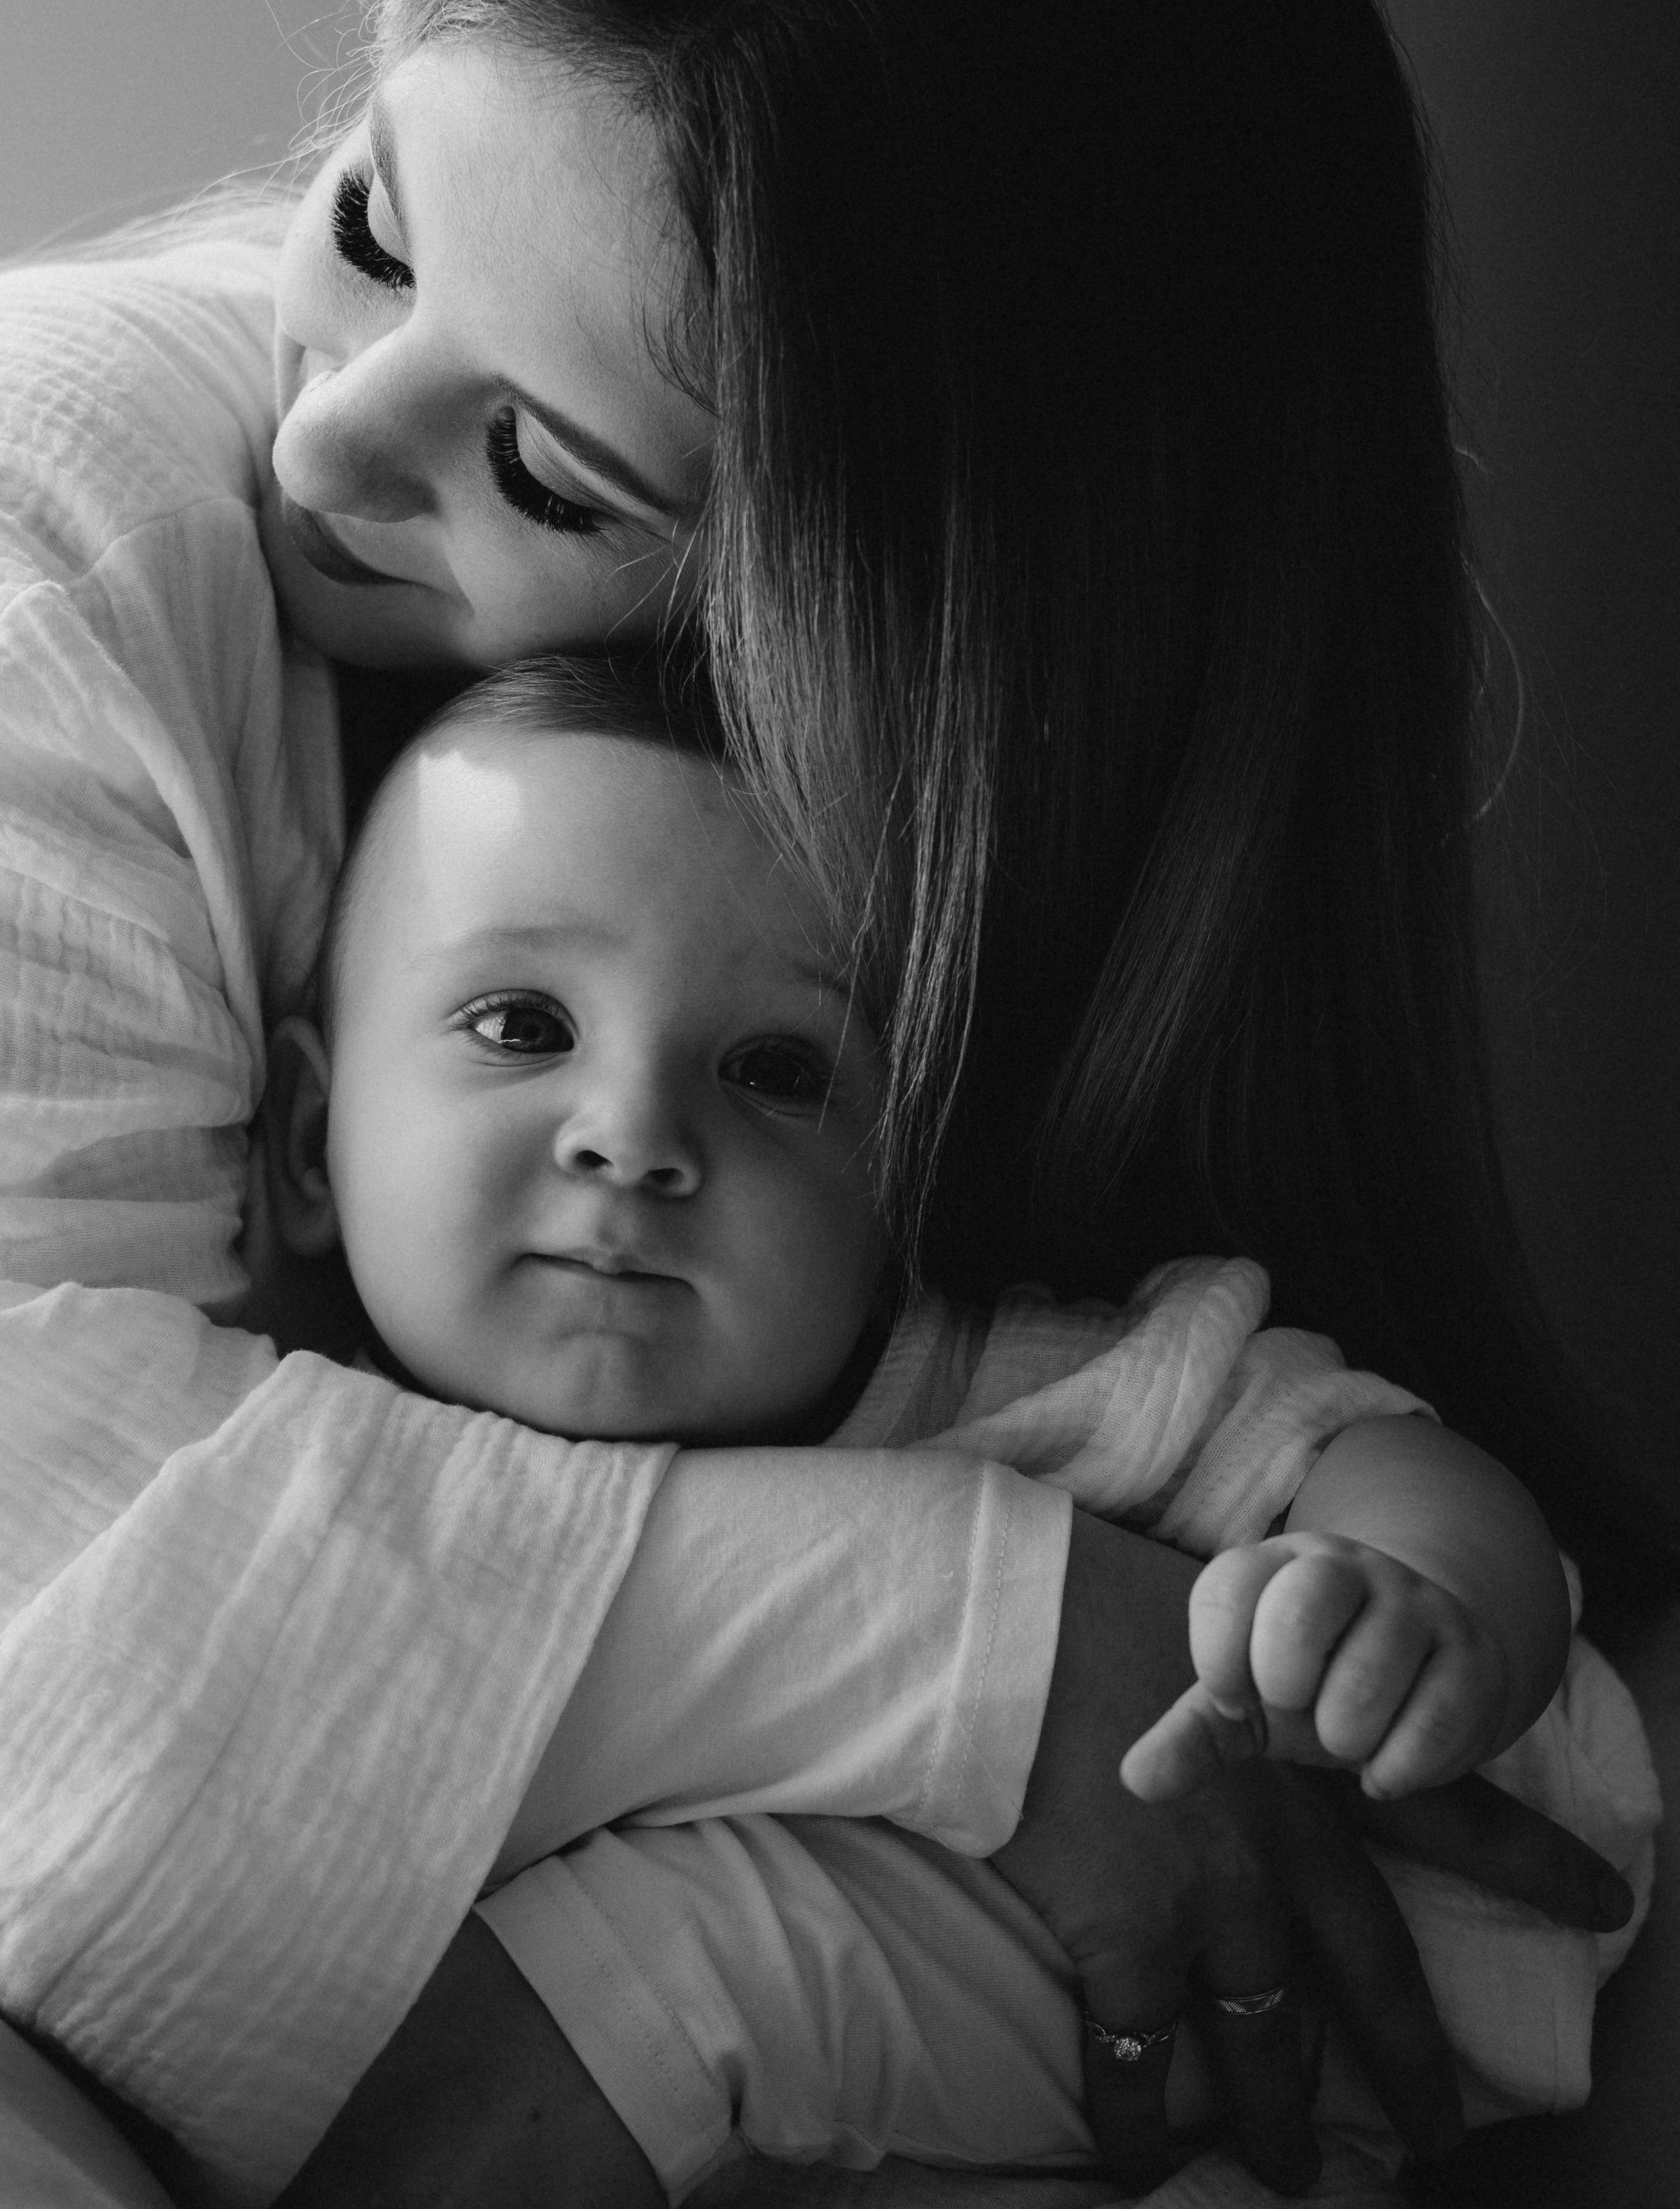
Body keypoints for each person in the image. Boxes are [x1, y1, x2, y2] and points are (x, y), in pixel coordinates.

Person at [0, 0, 1660, 2204]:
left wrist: (1379, 1612)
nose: (319, 437)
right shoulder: (72, 531)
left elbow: (1418, 1624)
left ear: (908, 660)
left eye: (548, 466)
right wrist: (991, 1656)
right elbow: (52, 1620)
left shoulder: (920, 1072)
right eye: (370, 223)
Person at [239, 650, 1650, 2205]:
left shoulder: (988, 1386)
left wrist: (1407, 1596)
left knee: (602, 1980)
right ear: (311, 1140)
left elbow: (1350, 1441)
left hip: (1329, 1941)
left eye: (777, 1071)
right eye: (519, 1025)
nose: (632, 1135)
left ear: (894, 1196)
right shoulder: (302, 1459)